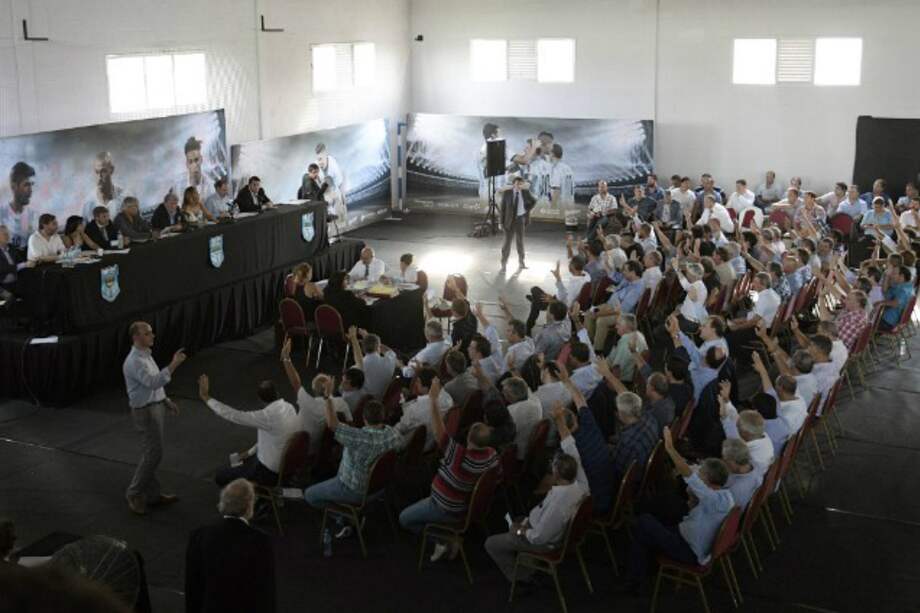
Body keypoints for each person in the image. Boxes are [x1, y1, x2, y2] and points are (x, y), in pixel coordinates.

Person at [624, 427, 734, 594]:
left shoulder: (712, 499)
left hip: (688, 550)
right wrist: (693, 501)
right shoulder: (726, 496)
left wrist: (670, 448)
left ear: (709, 482)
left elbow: (690, 476)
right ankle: (643, 570)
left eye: (701, 474)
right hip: (690, 535)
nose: (698, 475)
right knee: (656, 519)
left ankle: (634, 581)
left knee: (644, 522)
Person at [399, 377, 499, 561]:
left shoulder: (459, 456)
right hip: (463, 504)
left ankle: (442, 539)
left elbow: (440, 433)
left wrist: (433, 401)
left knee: (404, 519)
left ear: (469, 437)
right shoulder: (492, 456)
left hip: (445, 507)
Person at [303, 391, 401, 539]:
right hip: (379, 488)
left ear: (364, 418)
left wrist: (328, 397)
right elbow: (400, 447)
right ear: (383, 416)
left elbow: (332, 424)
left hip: (353, 490)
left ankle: (346, 517)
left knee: (310, 495)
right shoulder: (393, 434)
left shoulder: (358, 438)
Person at [484, 448, 587, 588]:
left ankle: (521, 578)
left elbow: (539, 538)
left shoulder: (557, 506)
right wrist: (526, 523)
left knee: (491, 544)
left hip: (544, 543)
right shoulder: (578, 489)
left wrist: (520, 531)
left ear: (556, 474)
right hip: (543, 530)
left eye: (553, 466)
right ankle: (528, 562)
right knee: (519, 519)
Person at [122, 321, 186, 515]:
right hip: (146, 412)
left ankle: (153, 495)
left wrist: (165, 400)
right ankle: (134, 493)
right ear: (136, 337)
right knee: (153, 454)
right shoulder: (135, 361)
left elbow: (154, 382)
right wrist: (174, 364)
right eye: (147, 333)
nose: (152, 335)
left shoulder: (145, 355)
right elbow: (152, 382)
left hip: (154, 407)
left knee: (151, 453)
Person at [185, 479, 276, 613]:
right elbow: (265, 591)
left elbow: (192, 586)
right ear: (249, 506)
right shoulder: (261, 541)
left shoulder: (199, 535)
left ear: (222, 503)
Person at [197, 375, 299, 487]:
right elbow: (272, 437)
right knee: (236, 461)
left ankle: (255, 486)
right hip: (284, 463)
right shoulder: (289, 407)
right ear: (277, 393)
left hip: (268, 471)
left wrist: (205, 396)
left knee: (220, 476)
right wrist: (248, 453)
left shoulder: (266, 416)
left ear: (260, 400)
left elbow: (233, 415)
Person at [279, 338, 350, 445]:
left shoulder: (307, 402)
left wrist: (286, 357)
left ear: (313, 389)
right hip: (323, 446)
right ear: (331, 387)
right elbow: (349, 423)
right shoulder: (341, 403)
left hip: (299, 445)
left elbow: (295, 382)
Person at [394, 367, 454, 450]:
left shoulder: (414, 409)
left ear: (424, 386)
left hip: (411, 447)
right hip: (432, 444)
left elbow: (400, 429)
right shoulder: (448, 399)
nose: (416, 384)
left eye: (417, 382)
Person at [499, 176, 536, 272]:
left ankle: (521, 263)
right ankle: (503, 264)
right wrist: (501, 222)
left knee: (520, 242)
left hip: (520, 220)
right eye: (517, 184)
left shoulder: (525, 192)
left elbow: (534, 201)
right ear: (513, 184)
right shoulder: (507, 193)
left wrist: (527, 208)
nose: (519, 186)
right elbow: (503, 209)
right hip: (509, 221)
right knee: (507, 243)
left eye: (521, 184)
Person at [348, 326, 397, 398]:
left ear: (363, 349)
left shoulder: (356, 368)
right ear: (378, 347)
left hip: (361, 402)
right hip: (381, 400)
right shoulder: (390, 361)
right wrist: (367, 336)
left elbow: (346, 388)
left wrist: (354, 338)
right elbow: (389, 351)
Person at [501, 376, 543, 459]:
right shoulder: (536, 401)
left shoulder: (510, 412)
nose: (502, 393)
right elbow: (526, 388)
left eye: (504, 392)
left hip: (516, 453)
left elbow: (503, 435)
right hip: (531, 450)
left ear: (510, 396)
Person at [0, 161, 37, 255]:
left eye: (31, 184)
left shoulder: (32, 216)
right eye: (26, 185)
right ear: (14, 186)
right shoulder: (2, 214)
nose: (30, 190)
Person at [81, 152, 126, 222]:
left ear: (111, 170)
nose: (99, 177)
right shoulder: (88, 203)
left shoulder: (123, 197)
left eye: (103, 171)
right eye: (97, 172)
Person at [316, 142, 348, 220]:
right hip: (326, 191)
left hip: (334, 190)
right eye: (318, 159)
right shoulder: (316, 167)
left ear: (326, 155)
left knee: (340, 208)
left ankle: (341, 216)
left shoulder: (333, 166)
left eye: (321, 159)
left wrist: (343, 197)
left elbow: (340, 184)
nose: (320, 163)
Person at [0, 225, 31, 299]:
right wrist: (24, 264)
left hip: (16, 282)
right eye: (4, 234)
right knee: (10, 300)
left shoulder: (11, 247)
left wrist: (28, 263)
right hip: (3, 285)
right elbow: (4, 268)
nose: (7, 236)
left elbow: (21, 261)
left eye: (8, 234)